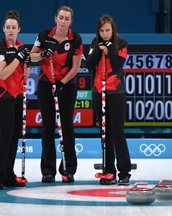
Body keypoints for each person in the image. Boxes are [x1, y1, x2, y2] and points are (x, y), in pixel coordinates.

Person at [30, 6, 83, 183]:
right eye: (61, 17)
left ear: (71, 21)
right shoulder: (44, 35)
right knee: (47, 127)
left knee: (67, 126)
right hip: (46, 84)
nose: (63, 21)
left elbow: (75, 67)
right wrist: (44, 53)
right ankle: (48, 170)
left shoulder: (75, 39)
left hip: (66, 85)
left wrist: (62, 82)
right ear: (55, 18)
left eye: (67, 18)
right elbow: (32, 56)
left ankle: (69, 168)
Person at [0, 10, 30, 190]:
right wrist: (19, 59)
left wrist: (26, 62)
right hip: (4, 97)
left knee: (13, 138)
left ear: (19, 29)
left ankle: (8, 175)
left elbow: (24, 76)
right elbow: (3, 73)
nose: (11, 30)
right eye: (8, 27)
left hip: (17, 96)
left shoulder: (20, 47)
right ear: (3, 29)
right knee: (5, 137)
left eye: (14, 27)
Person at [86, 14, 132, 186]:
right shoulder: (94, 44)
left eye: (107, 30)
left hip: (116, 92)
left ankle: (124, 172)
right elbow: (89, 65)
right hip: (99, 91)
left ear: (113, 30)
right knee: (105, 133)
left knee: (118, 132)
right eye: (102, 31)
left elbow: (117, 64)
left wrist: (110, 49)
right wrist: (99, 50)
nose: (105, 34)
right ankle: (108, 170)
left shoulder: (122, 44)